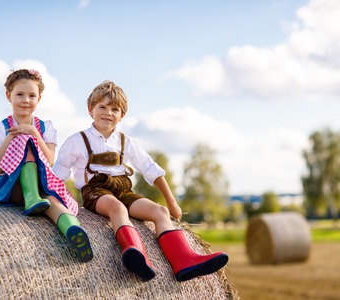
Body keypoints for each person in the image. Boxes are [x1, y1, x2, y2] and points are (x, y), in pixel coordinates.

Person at [53, 80, 228, 282]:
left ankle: (184, 261)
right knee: (117, 208)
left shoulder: (126, 142)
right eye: (102, 107)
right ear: (90, 109)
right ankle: (136, 254)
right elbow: (58, 175)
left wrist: (171, 203)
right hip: (95, 193)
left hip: (123, 191)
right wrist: (53, 200)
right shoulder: (76, 141)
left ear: (122, 115)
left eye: (114, 109)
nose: (108, 113)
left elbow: (151, 169)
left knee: (160, 212)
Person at [0, 69, 93, 262]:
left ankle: (74, 231)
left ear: (39, 98)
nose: (25, 100)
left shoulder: (46, 127)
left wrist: (34, 133)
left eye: (31, 96)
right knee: (23, 140)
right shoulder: (1, 127)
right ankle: (31, 197)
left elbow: (49, 160)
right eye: (19, 94)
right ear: (8, 95)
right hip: (11, 187)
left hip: (40, 183)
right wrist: (12, 137)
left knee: (54, 204)